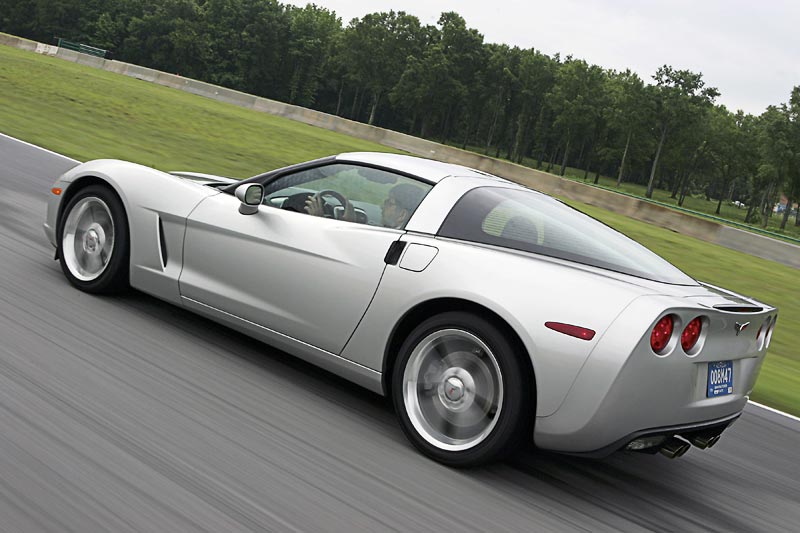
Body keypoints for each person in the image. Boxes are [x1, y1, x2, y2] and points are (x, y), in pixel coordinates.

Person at [305, 183, 425, 229]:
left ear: (402, 215)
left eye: (389, 203)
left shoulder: (386, 238)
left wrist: (318, 220)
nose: (381, 207)